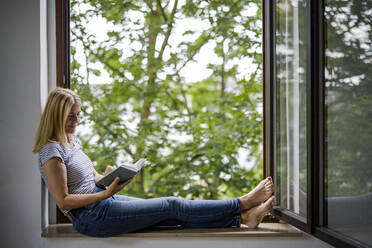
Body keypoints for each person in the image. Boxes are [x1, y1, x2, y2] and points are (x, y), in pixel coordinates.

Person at [33, 87, 275, 237]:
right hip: (92, 217)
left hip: (102, 202)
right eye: (71, 116)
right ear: (56, 115)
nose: (77, 120)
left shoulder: (70, 141)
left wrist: (110, 176)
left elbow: (90, 176)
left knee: (169, 216)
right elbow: (63, 200)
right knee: (171, 205)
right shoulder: (51, 150)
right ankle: (242, 203)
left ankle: (243, 219)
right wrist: (105, 194)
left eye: (78, 114)